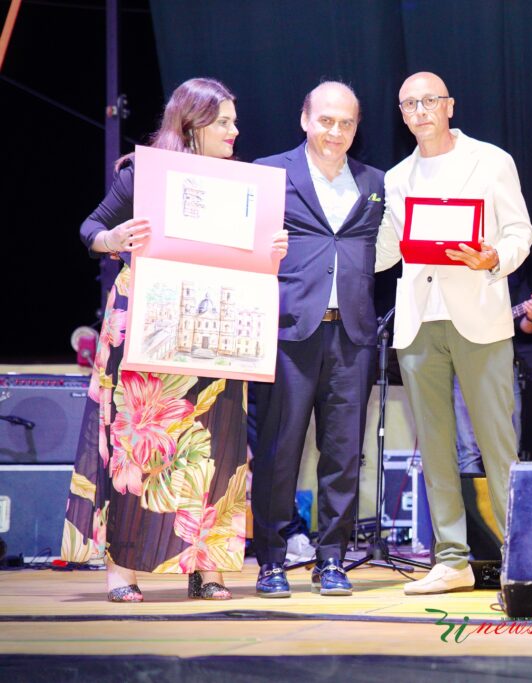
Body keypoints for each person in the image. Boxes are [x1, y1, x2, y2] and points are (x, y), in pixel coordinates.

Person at [62, 77, 289, 602]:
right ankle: (123, 570)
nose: (236, 130)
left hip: (214, 326)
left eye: (234, 120)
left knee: (217, 443)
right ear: (192, 124)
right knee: (136, 449)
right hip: (147, 322)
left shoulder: (241, 186)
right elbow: (89, 228)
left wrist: (270, 249)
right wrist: (113, 239)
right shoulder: (145, 174)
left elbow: (247, 260)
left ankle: (208, 567)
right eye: (225, 121)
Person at [375, 72, 532, 594]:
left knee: (497, 442)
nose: (420, 111)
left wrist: (496, 257)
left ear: (449, 106)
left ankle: (523, 554)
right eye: (409, 104)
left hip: (480, 312)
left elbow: (520, 233)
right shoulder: (396, 177)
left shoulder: (491, 161)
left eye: (429, 101)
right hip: (418, 316)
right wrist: (338, 238)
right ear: (402, 114)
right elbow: (385, 251)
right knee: (436, 444)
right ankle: (451, 558)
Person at [249, 81, 385, 598]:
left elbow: (384, 250)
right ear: (305, 119)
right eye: (326, 120)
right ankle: (271, 559)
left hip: (352, 334)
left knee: (344, 454)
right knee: (280, 451)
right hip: (289, 332)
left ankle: (332, 557)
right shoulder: (268, 172)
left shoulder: (374, 182)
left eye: (346, 122)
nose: (336, 131)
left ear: (356, 127)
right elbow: (238, 237)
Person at [454, 272, 532, 474]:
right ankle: (473, 504)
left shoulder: (512, 276)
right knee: (469, 450)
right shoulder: (457, 275)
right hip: (463, 366)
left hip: (502, 366)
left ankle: (505, 502)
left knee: (509, 446)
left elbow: (526, 327)